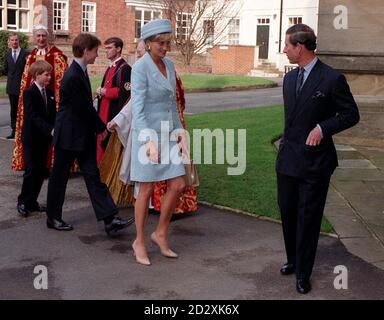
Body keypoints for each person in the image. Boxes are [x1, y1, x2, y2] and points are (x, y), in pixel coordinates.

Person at [276, 24, 360, 294]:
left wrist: (322, 128)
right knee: (288, 214)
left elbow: (350, 114)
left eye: (288, 45)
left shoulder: (332, 78)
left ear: (300, 47)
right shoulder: (289, 79)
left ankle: (303, 272)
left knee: (308, 218)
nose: (284, 49)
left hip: (315, 163)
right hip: (288, 160)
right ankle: (293, 259)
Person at [45, 33, 133, 234]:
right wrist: (102, 128)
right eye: (95, 51)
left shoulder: (80, 71)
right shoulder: (74, 75)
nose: (97, 55)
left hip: (81, 136)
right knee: (59, 178)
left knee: (93, 176)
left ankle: (110, 220)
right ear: (86, 51)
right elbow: (84, 109)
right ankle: (53, 217)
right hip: (68, 136)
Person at [130, 19, 187, 266]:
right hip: (147, 135)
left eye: (167, 42)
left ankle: (160, 233)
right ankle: (139, 241)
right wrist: (148, 142)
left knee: (179, 184)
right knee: (146, 189)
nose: (166, 47)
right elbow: (138, 109)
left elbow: (171, 104)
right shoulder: (139, 68)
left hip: (168, 134)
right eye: (161, 43)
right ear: (148, 43)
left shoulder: (170, 65)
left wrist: (180, 133)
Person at [12, 24, 68, 171]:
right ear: (34, 37)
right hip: (34, 99)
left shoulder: (57, 55)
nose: (41, 38)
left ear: (48, 37)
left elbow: (61, 80)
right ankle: (33, 164)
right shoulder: (30, 56)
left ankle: (51, 164)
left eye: (43, 35)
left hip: (50, 100)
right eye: (38, 36)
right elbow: (25, 80)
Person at [17, 61, 56, 217]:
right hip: (31, 139)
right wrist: (50, 129)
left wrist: (56, 128)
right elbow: (32, 116)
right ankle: (23, 201)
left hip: (44, 139)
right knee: (31, 170)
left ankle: (33, 202)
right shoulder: (29, 93)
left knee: (41, 171)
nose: (49, 77)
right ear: (37, 75)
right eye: (46, 74)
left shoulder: (50, 93)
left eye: (50, 74)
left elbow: (53, 115)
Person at [95, 37, 132, 165]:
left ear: (118, 49)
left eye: (109, 48)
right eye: (106, 48)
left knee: (111, 144)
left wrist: (105, 92)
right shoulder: (110, 67)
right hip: (103, 110)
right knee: (101, 139)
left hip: (113, 112)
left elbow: (125, 92)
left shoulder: (125, 68)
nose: (107, 51)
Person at [3, 32, 28, 139]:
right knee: (13, 110)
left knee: (24, 110)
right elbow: (5, 70)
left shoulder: (25, 53)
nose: (14, 42)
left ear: (19, 41)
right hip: (12, 87)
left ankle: (24, 131)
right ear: (9, 42)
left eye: (16, 40)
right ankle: (14, 131)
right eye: (12, 40)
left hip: (23, 87)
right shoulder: (7, 54)